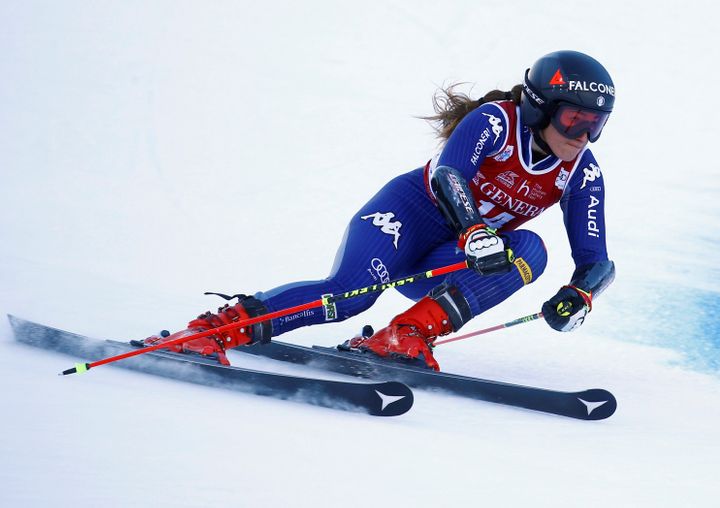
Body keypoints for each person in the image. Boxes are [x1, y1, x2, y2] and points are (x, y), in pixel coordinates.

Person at [143, 50, 617, 371]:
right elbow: (446, 176)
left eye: (596, 125)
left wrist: (581, 294)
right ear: (538, 108)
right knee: (348, 297)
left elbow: (596, 259)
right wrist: (474, 229)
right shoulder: (495, 122)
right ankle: (211, 331)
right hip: (407, 219)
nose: (582, 136)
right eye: (573, 119)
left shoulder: (582, 172)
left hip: (453, 254)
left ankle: (403, 334)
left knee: (530, 250)